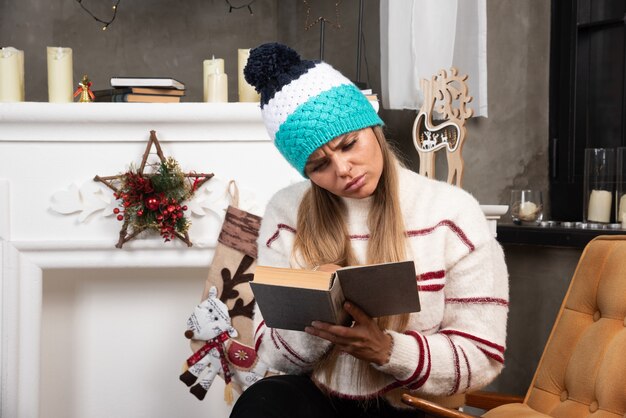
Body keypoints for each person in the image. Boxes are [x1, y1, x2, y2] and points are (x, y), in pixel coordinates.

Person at [231, 43, 508, 418]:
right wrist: (317, 317)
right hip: (320, 398)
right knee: (262, 404)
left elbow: (483, 355)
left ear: (373, 126)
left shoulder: (452, 212)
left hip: (414, 403)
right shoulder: (286, 212)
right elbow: (270, 349)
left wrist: (388, 350)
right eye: (319, 165)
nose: (343, 169)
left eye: (349, 144)